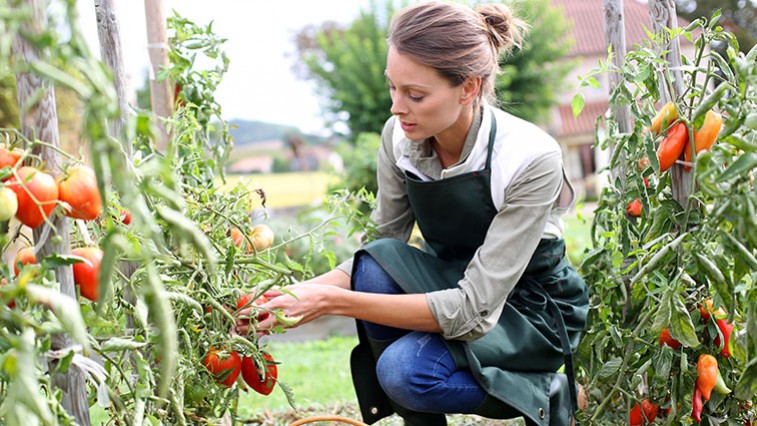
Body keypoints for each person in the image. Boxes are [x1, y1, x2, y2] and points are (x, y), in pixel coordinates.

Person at [236, 2, 589, 425]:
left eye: (415, 95)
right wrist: (289, 298)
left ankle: (548, 393)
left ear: (469, 88)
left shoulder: (530, 158)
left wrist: (332, 301)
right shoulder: (400, 139)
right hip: (453, 282)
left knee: (405, 372)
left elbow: (473, 309)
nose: (396, 108)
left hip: (530, 312)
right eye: (393, 88)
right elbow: (382, 253)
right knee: (376, 262)